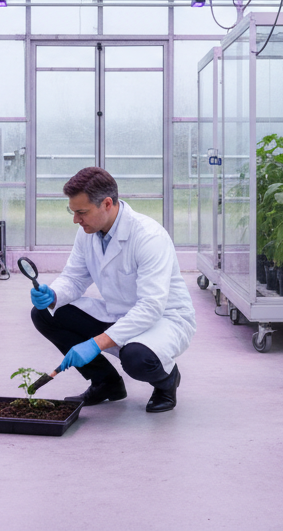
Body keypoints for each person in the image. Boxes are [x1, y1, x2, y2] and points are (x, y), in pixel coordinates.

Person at [29, 167, 196, 413]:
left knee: (136, 358)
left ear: (107, 203)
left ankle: (166, 381)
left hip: (163, 319)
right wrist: (53, 295)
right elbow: (75, 278)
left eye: (81, 212)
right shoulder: (87, 232)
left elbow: (151, 307)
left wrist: (96, 344)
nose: (76, 219)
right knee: (44, 313)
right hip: (117, 312)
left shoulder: (149, 237)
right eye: (72, 211)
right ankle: (106, 383)